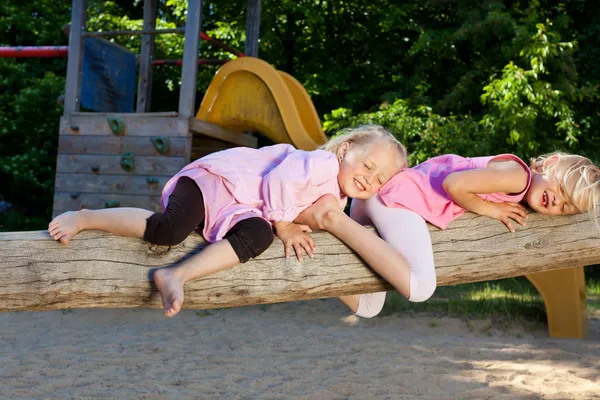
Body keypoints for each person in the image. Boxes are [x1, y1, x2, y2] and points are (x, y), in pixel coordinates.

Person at [48, 125, 407, 317]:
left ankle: (176, 275)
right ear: (346, 150)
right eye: (367, 166)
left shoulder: (339, 199)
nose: (369, 180)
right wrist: (284, 226)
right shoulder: (321, 163)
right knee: (169, 229)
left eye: (379, 181)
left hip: (239, 207)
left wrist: (281, 227)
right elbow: (278, 182)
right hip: (217, 181)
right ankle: (86, 217)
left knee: (257, 235)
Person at [296, 151, 600, 318]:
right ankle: (330, 216)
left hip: (382, 203)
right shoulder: (517, 175)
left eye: (566, 207)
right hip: (400, 199)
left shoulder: (520, 187)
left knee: (368, 306)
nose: (557, 202)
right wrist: (491, 210)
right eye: (560, 190)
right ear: (550, 164)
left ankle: (306, 260)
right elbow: (455, 184)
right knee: (421, 287)